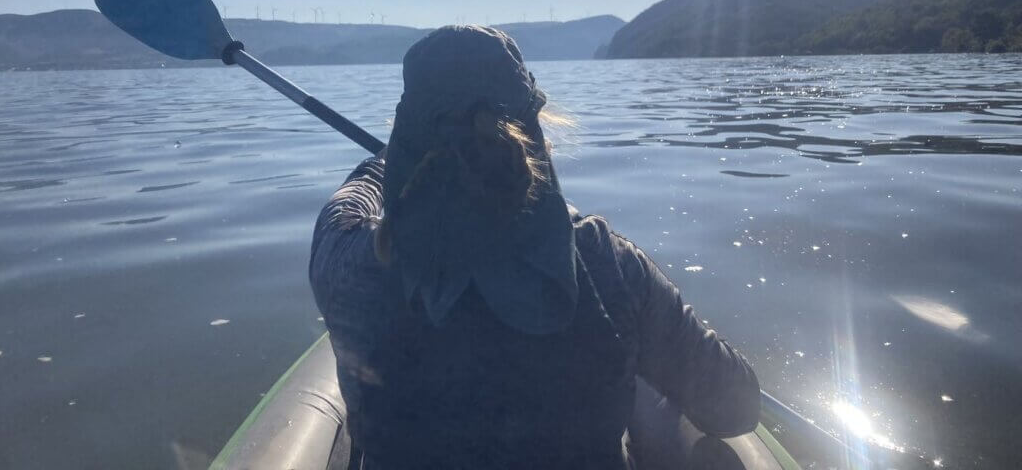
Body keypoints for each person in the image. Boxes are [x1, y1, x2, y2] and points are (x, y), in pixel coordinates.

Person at [309, 25, 759, 470]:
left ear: (407, 134)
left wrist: (394, 162)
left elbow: (348, 203)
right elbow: (736, 409)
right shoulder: (607, 263)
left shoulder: (346, 259)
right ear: (535, 130)